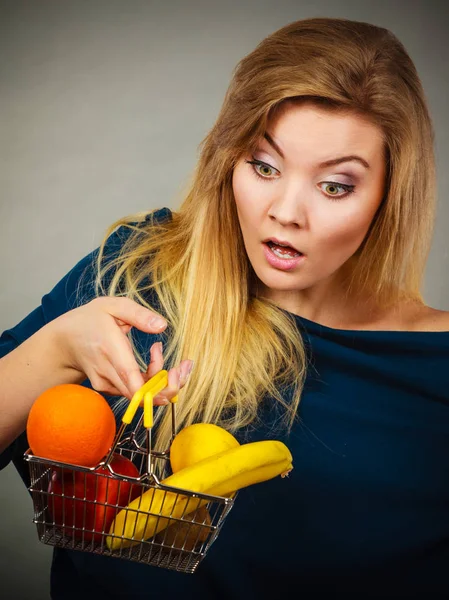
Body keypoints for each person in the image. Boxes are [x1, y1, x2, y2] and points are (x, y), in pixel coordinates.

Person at [1, 16, 448, 599]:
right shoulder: (140, 273)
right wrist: (56, 349)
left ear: (389, 195)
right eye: (265, 166)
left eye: (335, 185)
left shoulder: (434, 368)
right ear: (228, 160)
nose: (287, 211)